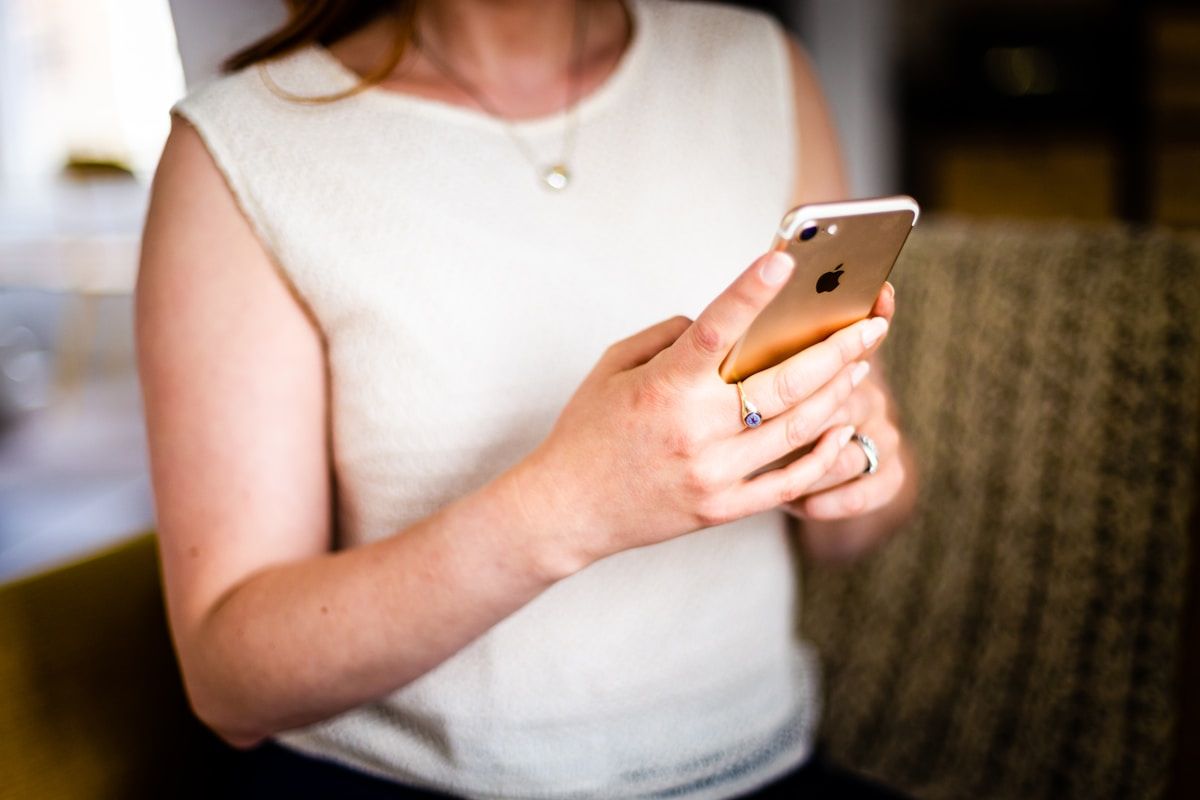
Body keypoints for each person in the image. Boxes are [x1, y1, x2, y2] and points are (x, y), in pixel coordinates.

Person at [136, 0, 917, 797]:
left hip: (763, 770)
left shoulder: (757, 66)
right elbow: (229, 687)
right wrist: (570, 507)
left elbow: (859, 519)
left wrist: (850, 467)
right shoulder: (244, 147)